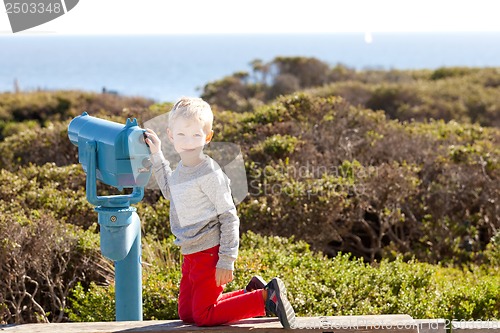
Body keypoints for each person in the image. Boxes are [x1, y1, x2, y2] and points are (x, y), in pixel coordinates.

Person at [144, 97, 296, 328]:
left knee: (204, 316)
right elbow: (168, 191)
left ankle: (266, 298)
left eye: (196, 135)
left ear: (208, 137)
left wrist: (226, 260)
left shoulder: (209, 173)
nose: (188, 142)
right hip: (191, 254)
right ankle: (250, 292)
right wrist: (157, 154)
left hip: (209, 252)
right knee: (188, 315)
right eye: (182, 135)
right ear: (171, 136)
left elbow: (229, 216)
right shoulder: (183, 169)